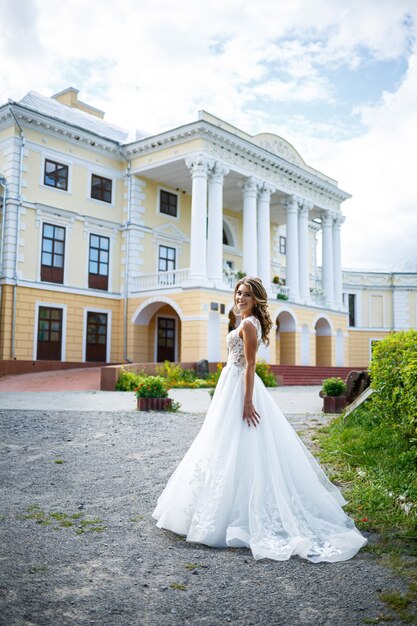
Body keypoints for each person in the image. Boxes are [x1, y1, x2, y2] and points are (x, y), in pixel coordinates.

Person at [152, 277, 367, 562]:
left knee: (241, 441)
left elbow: (251, 365)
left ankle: (238, 512)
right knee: (221, 442)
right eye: (239, 293)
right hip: (230, 384)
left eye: (247, 295)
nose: (240, 298)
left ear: (256, 300)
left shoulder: (250, 324)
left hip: (241, 387)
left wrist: (247, 400)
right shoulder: (243, 321)